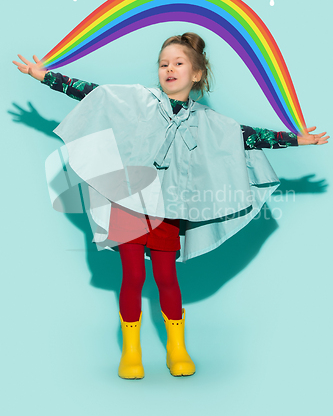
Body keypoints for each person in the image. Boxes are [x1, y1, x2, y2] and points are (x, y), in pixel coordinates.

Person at [13, 32, 329, 380]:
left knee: (166, 276)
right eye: (164, 63)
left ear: (196, 74)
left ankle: (176, 348)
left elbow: (248, 136)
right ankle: (131, 351)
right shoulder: (138, 101)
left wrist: (299, 140)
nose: (169, 69)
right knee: (132, 275)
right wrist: (43, 76)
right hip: (129, 202)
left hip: (170, 206)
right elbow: (94, 93)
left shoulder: (210, 122)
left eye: (178, 63)